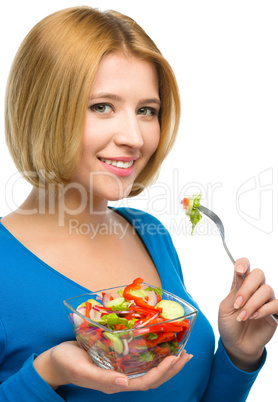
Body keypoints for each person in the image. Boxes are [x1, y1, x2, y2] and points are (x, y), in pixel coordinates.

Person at [0, 6, 277, 401]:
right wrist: (48, 373)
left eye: (147, 110)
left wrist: (239, 354)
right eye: (102, 107)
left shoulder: (150, 234)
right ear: (42, 112)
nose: (135, 136)